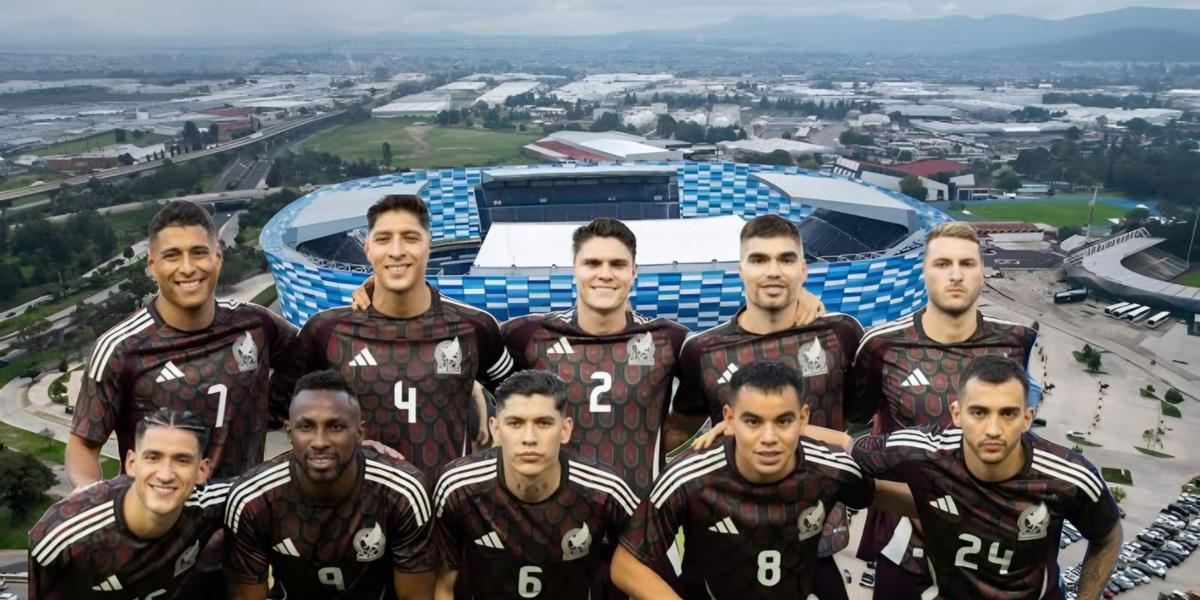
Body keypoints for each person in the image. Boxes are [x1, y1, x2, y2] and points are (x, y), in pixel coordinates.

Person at [805, 355, 1122, 599]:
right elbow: (848, 445)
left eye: (1008, 413)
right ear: (957, 414)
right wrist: (775, 430)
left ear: (1027, 418)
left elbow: (1107, 536)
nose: (993, 429)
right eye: (979, 412)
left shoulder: (1070, 477)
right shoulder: (923, 450)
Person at [666, 214, 862, 599]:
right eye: (759, 260)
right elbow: (676, 432)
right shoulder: (702, 350)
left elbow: (858, 422)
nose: (773, 271)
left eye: (786, 260)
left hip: (815, 538)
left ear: (804, 269)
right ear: (740, 268)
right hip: (726, 536)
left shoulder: (840, 334)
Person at [845, 221, 1039, 597]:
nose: (955, 275)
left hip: (991, 535)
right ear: (924, 271)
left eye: (967, 264)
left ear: (983, 271)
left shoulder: (1017, 340)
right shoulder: (882, 345)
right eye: (942, 263)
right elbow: (857, 428)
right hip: (908, 539)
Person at [611, 362, 914, 599]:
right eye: (752, 421)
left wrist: (957, 498)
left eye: (783, 421)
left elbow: (886, 496)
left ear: (803, 419)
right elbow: (626, 564)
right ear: (729, 420)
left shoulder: (831, 468)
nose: (768, 438)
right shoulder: (688, 477)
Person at [275, 194, 513, 487]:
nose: (397, 251)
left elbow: (518, 399)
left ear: (428, 246)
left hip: (445, 512)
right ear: (367, 248)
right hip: (358, 512)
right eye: (384, 239)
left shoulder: (475, 327)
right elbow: (281, 417)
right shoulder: (325, 331)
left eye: (410, 238)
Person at [67, 199, 298, 486]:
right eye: (172, 256)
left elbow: (313, 351)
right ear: (152, 264)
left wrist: (271, 412)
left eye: (198, 253)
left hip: (241, 520)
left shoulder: (256, 324)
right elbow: (84, 446)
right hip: (161, 524)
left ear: (217, 257)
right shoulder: (120, 349)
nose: (187, 268)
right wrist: (95, 506)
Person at [500, 218, 688, 497]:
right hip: (555, 516)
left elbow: (687, 423)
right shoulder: (527, 335)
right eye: (592, 263)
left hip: (643, 519)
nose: (605, 274)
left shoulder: (670, 340)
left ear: (634, 271)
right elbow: (471, 381)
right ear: (574, 269)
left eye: (618, 264)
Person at [225, 370, 435, 600]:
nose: (320, 442)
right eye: (306, 427)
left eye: (335, 427)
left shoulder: (402, 492)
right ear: (289, 433)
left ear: (359, 433)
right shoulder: (254, 499)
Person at [433, 369, 638, 599]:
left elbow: (644, 570)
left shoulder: (605, 491)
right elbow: (443, 586)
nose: (529, 438)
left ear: (565, 429)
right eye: (515, 423)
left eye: (543, 423)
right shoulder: (459, 487)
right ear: (495, 429)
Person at [29, 409, 231, 599]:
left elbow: (258, 486)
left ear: (202, 471)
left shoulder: (212, 504)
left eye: (182, 460)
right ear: (131, 463)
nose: (166, 475)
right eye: (153, 458)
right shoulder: (64, 536)